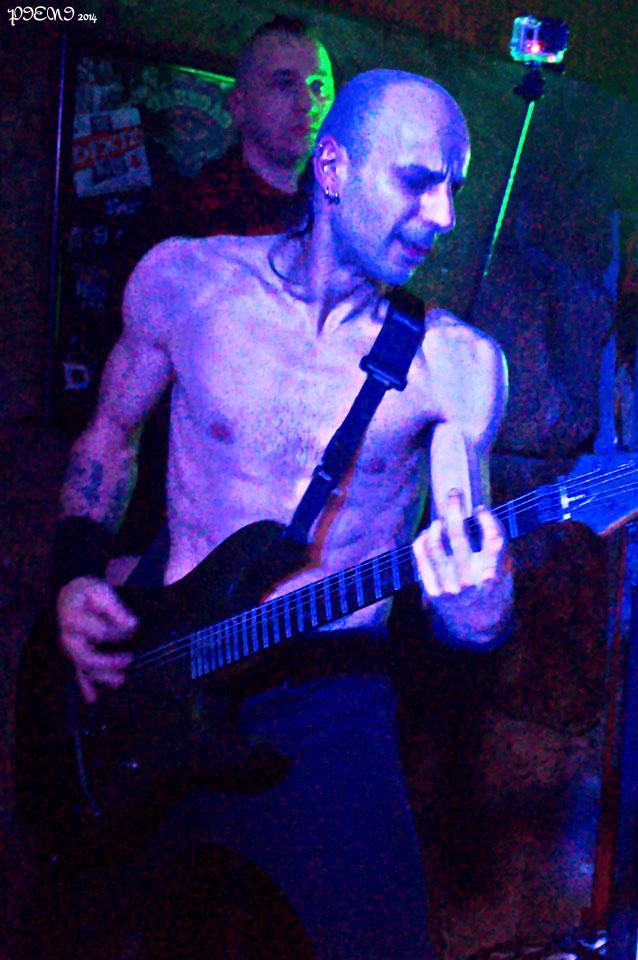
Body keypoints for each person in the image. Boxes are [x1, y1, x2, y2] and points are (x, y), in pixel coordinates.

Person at [52, 70, 513, 959]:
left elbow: (469, 569)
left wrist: (479, 600)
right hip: (156, 676)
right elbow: (108, 439)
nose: (446, 215)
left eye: (455, 187)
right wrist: (72, 577)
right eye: (419, 181)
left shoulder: (456, 366)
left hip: (327, 704)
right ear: (332, 169)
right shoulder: (185, 282)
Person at [114, 14, 336, 559]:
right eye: (284, 84)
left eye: (318, 87)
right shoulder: (184, 220)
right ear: (238, 104)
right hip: (180, 512)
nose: (306, 103)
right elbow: (126, 401)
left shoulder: (342, 229)